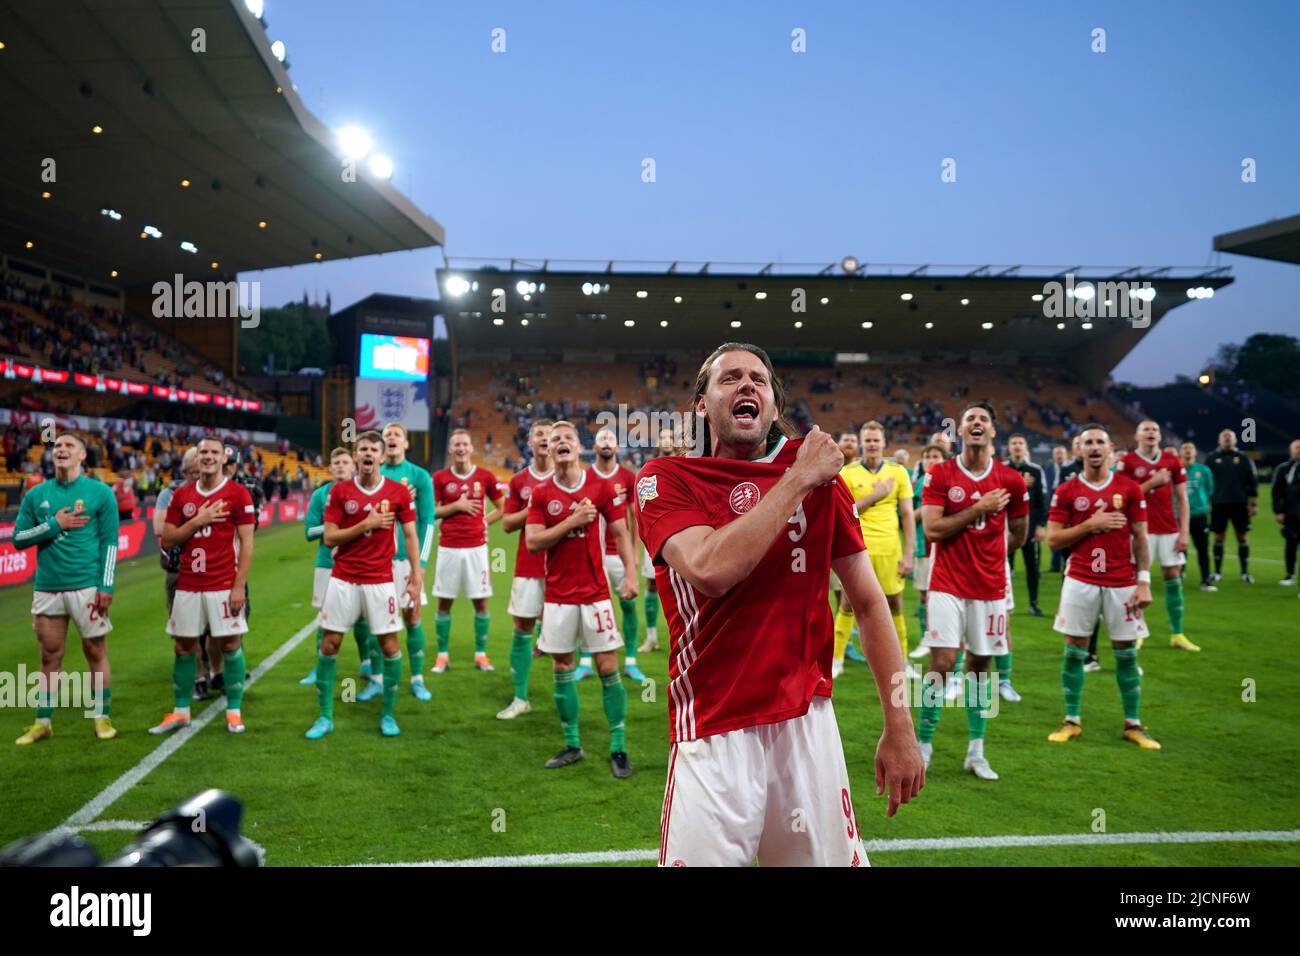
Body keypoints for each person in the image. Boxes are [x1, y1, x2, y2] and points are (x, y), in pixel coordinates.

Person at [636, 343, 923, 866]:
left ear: (771, 406)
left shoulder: (818, 477)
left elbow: (867, 601)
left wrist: (899, 725)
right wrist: (799, 479)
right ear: (702, 405)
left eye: (759, 380)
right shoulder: (666, 479)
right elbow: (710, 570)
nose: (746, 386)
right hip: (713, 729)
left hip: (806, 724)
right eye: (730, 379)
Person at [918, 402, 1029, 780]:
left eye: (984, 419)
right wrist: (978, 508)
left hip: (991, 586)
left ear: (993, 431)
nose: (977, 424)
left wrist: (992, 554)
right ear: (960, 431)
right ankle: (924, 745)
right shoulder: (940, 474)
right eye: (970, 420)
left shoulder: (1012, 480)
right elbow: (932, 531)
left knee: (981, 669)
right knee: (943, 664)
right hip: (946, 583)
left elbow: (1020, 533)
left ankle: (976, 752)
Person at [526, 421, 638, 776]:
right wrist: (571, 520)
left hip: (595, 594)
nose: (560, 442)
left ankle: (618, 747)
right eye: (554, 439)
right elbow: (533, 541)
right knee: (562, 668)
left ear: (579, 447)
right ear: (548, 449)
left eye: (568, 438)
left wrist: (631, 575)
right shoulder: (542, 494)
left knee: (607, 667)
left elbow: (621, 533)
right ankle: (572, 744)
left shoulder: (601, 486)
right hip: (558, 597)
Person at [1045, 425, 1160, 750]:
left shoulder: (1130, 489)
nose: (1094, 448)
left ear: (1110, 449)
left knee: (1125, 655)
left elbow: (1141, 537)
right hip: (1080, 580)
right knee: (1074, 653)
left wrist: (1144, 582)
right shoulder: (1066, 491)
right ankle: (1071, 720)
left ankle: (1134, 724)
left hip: (1123, 583)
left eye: (1100, 442)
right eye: (1087, 443)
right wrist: (1090, 525)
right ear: (1079, 450)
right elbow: (1053, 540)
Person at [305, 432, 421, 739]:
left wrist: (416, 579)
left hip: (381, 581)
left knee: (390, 646)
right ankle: (325, 717)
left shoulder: (398, 492)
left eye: (373, 449)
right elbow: (329, 538)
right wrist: (364, 525)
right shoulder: (340, 492)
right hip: (343, 579)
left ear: (382, 457)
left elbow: (410, 536)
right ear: (357, 457)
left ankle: (388, 715)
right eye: (362, 449)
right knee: (330, 644)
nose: (367, 453)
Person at [13, 433, 119, 745]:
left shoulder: (100, 493)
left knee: (95, 650)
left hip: (86, 586)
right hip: (47, 587)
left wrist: (106, 584)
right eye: (57, 446)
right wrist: (55, 524)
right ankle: (42, 722)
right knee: (49, 655)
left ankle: (101, 716)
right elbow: (19, 539)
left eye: (69, 445)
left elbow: (109, 542)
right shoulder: (36, 495)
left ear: (82, 455)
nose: (61, 449)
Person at [151, 436, 254, 735]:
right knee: (183, 647)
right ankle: (181, 711)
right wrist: (198, 520)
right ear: (196, 460)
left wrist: (239, 586)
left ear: (224, 459)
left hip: (223, 584)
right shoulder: (182, 496)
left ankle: (233, 711)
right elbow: (168, 538)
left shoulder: (237, 494)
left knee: (231, 644)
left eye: (214, 452)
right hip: (187, 584)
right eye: (203, 452)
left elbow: (247, 543)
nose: (208, 457)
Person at [833, 422, 914, 679]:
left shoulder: (899, 472)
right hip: (859, 549)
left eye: (876, 440)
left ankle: (902, 661)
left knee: (895, 605)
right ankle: (836, 659)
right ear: (861, 443)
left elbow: (908, 515)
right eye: (867, 440)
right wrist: (875, 496)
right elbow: (844, 512)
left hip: (891, 548)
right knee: (848, 604)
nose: (872, 445)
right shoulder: (848, 473)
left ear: (884, 443)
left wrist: (910, 552)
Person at [365, 423, 437, 701]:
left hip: (407, 562)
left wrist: (421, 565)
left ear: (406, 443)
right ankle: (376, 679)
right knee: (377, 622)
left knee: (412, 617)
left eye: (397, 435)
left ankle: (417, 678)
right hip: (376, 562)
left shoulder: (420, 476)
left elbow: (428, 522)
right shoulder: (374, 476)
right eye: (387, 436)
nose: (391, 438)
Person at [1116, 422, 1197, 651]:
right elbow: (1122, 497)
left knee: (1173, 578)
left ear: (1160, 436)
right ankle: (1136, 631)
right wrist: (1152, 483)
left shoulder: (1172, 461)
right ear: (1136, 436)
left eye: (1155, 430)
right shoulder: (1127, 462)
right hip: (1140, 530)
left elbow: (1182, 499)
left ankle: (1177, 634)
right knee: (1136, 581)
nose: (1151, 433)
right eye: (1146, 430)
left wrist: (1184, 532)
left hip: (1169, 529)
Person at [431, 430, 504, 672]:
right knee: (444, 603)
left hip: (477, 549)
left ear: (471, 448)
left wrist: (484, 522)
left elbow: (503, 507)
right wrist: (457, 506)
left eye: (464, 444)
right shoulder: (440, 478)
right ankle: (442, 656)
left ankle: (481, 655)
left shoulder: (485, 476)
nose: (461, 448)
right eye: (456, 445)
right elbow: (430, 512)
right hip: (448, 548)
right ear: (451, 450)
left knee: (481, 603)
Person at [496, 419, 554, 720]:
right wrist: (535, 505)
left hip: (563, 568)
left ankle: (565, 704)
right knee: (522, 629)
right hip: (529, 566)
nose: (544, 438)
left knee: (565, 638)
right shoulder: (519, 481)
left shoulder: (571, 476)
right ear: (530, 443)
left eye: (549, 434)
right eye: (539, 434)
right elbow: (506, 524)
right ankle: (520, 698)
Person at [297, 449, 370, 686]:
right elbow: (309, 532)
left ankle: (366, 662)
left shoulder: (364, 492)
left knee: (361, 617)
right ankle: (320, 667)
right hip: (328, 563)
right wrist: (335, 527)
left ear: (354, 467)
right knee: (325, 618)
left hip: (360, 562)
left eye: (345, 462)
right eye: (336, 462)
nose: (340, 466)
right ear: (330, 468)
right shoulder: (321, 495)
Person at [587, 426, 646, 683]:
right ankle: (585, 661)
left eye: (611, 438)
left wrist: (634, 554)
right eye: (602, 439)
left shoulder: (627, 477)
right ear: (595, 447)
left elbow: (636, 519)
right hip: (592, 557)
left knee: (628, 605)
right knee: (590, 609)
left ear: (618, 447)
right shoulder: (584, 477)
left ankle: (631, 660)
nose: (607, 442)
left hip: (620, 556)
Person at [636, 426, 681, 655]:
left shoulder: (687, 466)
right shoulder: (648, 470)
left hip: (683, 535)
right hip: (655, 536)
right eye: (662, 437)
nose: (665, 440)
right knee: (652, 584)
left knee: (686, 586)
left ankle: (685, 636)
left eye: (669, 437)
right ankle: (652, 637)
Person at [1205, 428, 1259, 583]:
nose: (1227, 439)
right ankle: (1217, 572)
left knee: (1242, 537)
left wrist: (1253, 503)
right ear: (1219, 441)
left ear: (1235, 441)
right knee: (1218, 537)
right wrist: (1208, 502)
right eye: (1224, 437)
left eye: (1230, 437)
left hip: (1240, 504)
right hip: (1218, 504)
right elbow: (1207, 482)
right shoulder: (1211, 458)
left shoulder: (1243, 458)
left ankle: (1245, 573)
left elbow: (1252, 481)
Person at [1004, 434, 1046, 616]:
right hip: (1006, 528)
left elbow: (1041, 500)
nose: (1017, 446)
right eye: (1014, 443)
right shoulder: (1001, 469)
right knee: (1005, 567)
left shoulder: (1036, 470)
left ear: (1026, 447)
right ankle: (1006, 603)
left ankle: (1033, 604)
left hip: (1030, 527)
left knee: (1032, 567)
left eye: (1020, 443)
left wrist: (1040, 525)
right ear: (1009, 447)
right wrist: (1019, 483)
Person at [1179, 442, 1215, 591]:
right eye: (1184, 448)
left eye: (1191, 448)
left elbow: (1210, 490)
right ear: (1179, 452)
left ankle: (1206, 580)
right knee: (1179, 550)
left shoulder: (1203, 470)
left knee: (1203, 549)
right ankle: (1178, 578)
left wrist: (1203, 505)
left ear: (1195, 452)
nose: (1188, 451)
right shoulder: (1175, 470)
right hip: (1179, 516)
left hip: (1199, 515)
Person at [1274, 439, 1300, 588]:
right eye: (1296, 447)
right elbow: (1276, 492)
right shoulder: (1283, 469)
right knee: (1290, 544)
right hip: (1290, 514)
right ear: (1290, 450)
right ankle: (1290, 574)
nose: (1299, 449)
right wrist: (1279, 511)